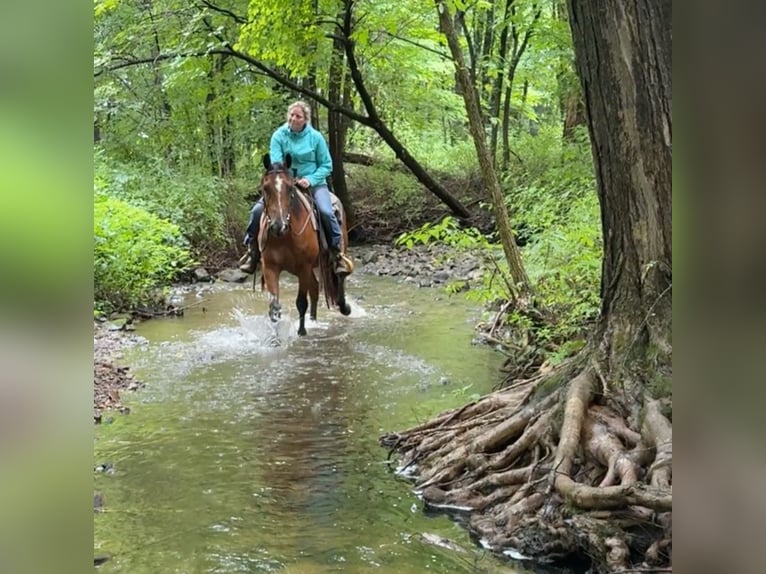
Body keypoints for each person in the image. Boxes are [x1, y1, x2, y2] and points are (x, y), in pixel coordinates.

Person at [239, 101, 351, 276]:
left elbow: (327, 165)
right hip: (284, 185)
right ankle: (252, 252)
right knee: (256, 211)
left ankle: (337, 254)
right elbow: (276, 164)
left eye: (298, 116)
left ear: (305, 119)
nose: (293, 119)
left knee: (326, 211)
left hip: (313, 183)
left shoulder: (316, 137)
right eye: (291, 115)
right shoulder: (279, 136)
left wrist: (310, 179)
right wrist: (287, 180)